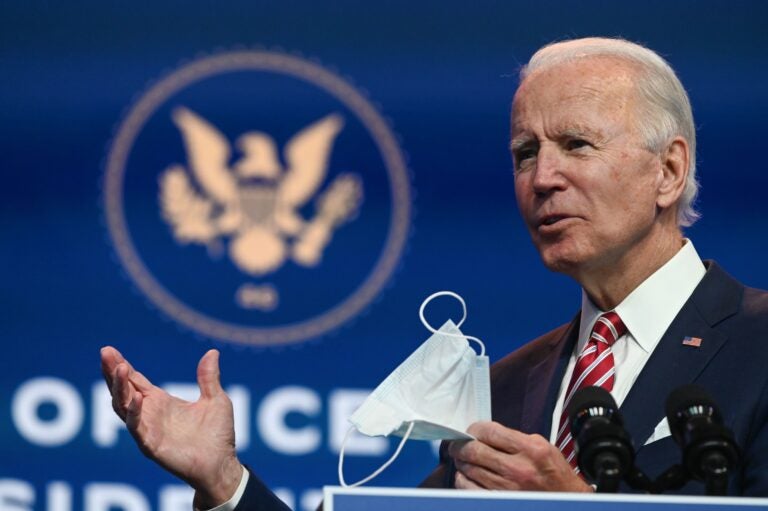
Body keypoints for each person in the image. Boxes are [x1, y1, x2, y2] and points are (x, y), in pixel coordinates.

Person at [101, 37, 768, 510]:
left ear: (669, 170)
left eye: (576, 145)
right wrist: (226, 482)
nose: (543, 178)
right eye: (524, 152)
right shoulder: (504, 391)